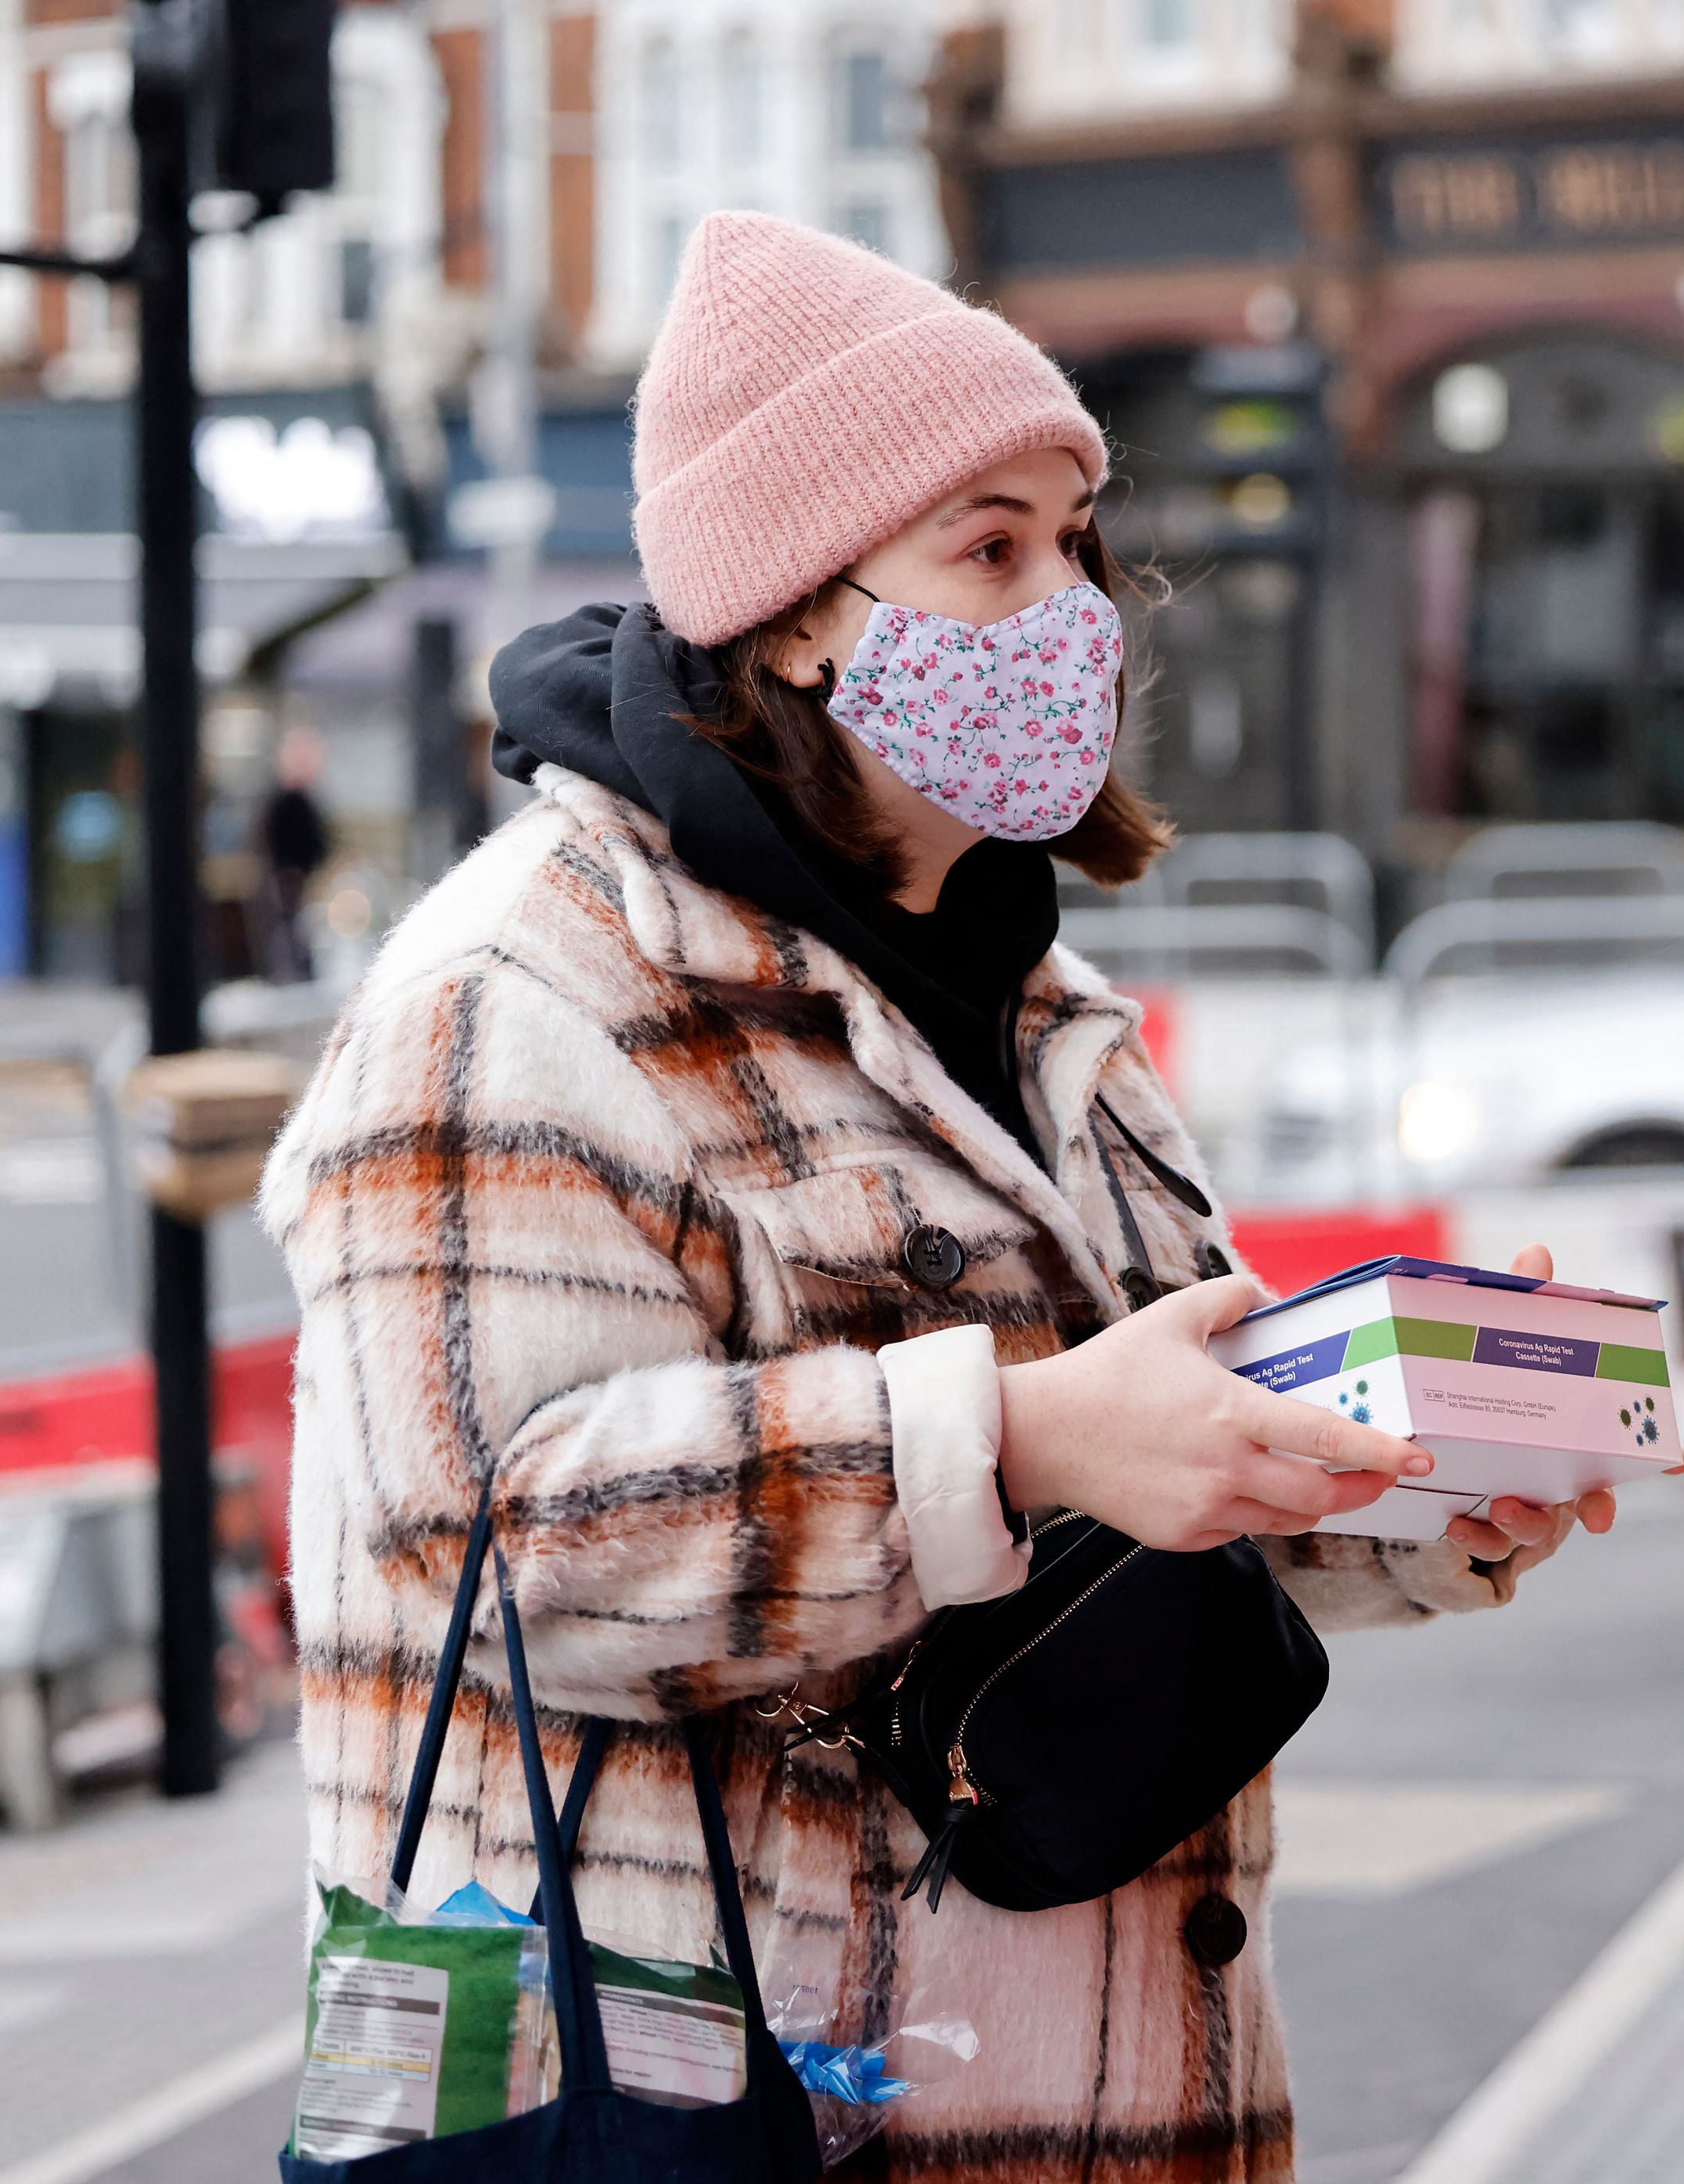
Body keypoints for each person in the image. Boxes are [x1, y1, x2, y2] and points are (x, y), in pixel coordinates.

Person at [262, 213, 1610, 2182]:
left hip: (1116, 2103)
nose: (1073, 606)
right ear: (800, 611)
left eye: (1076, 538)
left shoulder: (1040, 1000)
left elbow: (1134, 1501)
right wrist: (1030, 1429)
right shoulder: (514, 996)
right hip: (743, 2116)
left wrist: (1395, 1481)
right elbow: (496, 1548)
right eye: (991, 548)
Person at [258, 726, 330, 982]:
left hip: (299, 875)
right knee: (288, 930)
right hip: (289, 876)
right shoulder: (284, 802)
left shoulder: (300, 801)